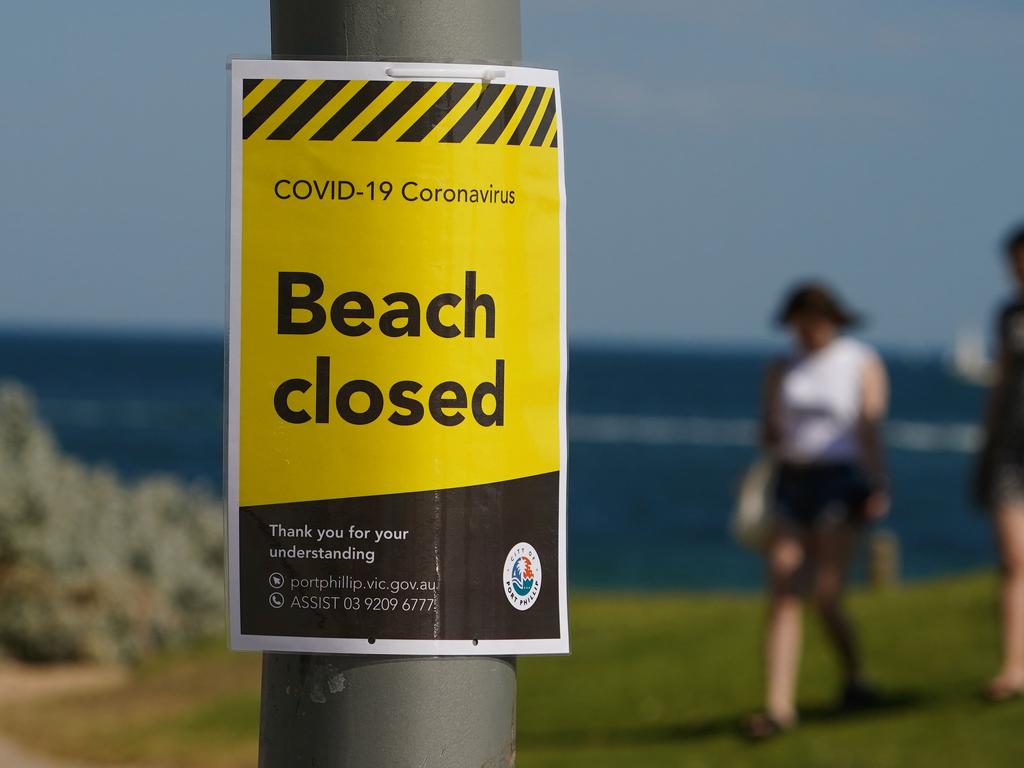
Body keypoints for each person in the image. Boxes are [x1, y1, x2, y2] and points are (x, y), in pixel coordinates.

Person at [746, 282, 891, 739]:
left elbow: (869, 426)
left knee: (826, 593)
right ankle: (778, 705)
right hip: (793, 479)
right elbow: (767, 428)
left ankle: (854, 677)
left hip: (840, 480)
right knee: (784, 586)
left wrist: (876, 483)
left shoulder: (859, 361)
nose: (807, 332)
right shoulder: (782, 367)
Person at [974, 224, 1024, 703]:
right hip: (1010, 445)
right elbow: (1002, 379)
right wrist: (987, 447)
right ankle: (1014, 667)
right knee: (1014, 560)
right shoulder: (1008, 313)